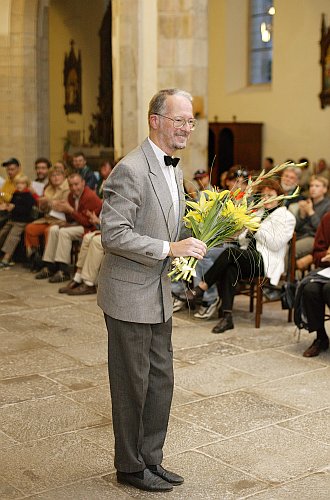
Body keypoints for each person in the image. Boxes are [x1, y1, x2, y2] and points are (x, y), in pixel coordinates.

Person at [97, 88, 207, 492]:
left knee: (161, 381)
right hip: (127, 295)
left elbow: (170, 226)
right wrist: (169, 249)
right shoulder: (130, 169)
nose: (186, 128)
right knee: (131, 385)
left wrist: (213, 228)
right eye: (179, 119)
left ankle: (152, 460)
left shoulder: (175, 170)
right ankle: (129, 465)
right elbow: (113, 234)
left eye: (191, 121)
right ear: (155, 120)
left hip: (159, 295)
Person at [185, 179, 296, 333]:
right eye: (263, 196)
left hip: (266, 261)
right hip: (247, 257)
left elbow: (275, 244)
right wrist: (244, 230)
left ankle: (202, 287)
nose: (266, 199)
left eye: (270, 195)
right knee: (230, 268)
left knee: (230, 253)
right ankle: (227, 317)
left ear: (279, 196)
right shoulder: (259, 212)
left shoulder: (287, 217)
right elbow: (242, 240)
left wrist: (256, 229)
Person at [35, 173, 102, 282]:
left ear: (83, 183)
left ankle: (63, 270)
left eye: (76, 184)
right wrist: (63, 210)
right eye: (71, 185)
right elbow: (71, 218)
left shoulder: (89, 196)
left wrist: (70, 210)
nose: (74, 188)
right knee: (54, 229)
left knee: (64, 233)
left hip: (90, 228)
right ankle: (50, 266)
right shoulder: (71, 196)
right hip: (77, 225)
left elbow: (88, 222)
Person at [24, 166, 70, 267]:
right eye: (53, 175)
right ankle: (37, 257)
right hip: (48, 218)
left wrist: (49, 202)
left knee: (48, 231)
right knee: (30, 228)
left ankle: (50, 262)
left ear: (63, 176)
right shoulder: (48, 188)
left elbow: (63, 206)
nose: (55, 178)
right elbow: (42, 209)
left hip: (62, 219)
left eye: (58, 175)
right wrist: (43, 205)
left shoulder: (68, 188)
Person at [301, 212, 330, 357]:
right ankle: (321, 337)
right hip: (328, 270)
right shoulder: (327, 218)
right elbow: (317, 254)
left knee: (328, 289)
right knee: (310, 289)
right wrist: (326, 256)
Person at [58, 211, 103, 295]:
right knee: (87, 238)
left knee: (97, 241)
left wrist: (98, 221)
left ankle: (89, 283)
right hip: (107, 232)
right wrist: (96, 221)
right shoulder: (109, 201)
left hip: (121, 234)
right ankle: (78, 278)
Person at [0, 174, 35, 268]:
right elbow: (11, 204)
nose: (19, 185)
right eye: (17, 183)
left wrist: (14, 208)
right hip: (13, 219)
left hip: (22, 221)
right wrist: (6, 207)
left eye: (22, 183)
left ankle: (6, 258)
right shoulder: (15, 194)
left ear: (26, 185)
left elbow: (27, 210)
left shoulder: (28, 196)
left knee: (13, 236)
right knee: (2, 233)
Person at [294, 175, 330, 258]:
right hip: (301, 235)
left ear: (324, 189)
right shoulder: (308, 202)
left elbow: (324, 231)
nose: (313, 188)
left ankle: (289, 271)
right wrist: (302, 215)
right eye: (311, 186)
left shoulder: (328, 206)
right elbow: (296, 227)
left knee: (293, 249)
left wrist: (311, 212)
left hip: (315, 238)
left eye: (317, 186)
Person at [0, 158, 21, 228]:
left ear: (18, 169)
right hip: (3, 209)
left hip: (12, 212)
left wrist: (2, 194)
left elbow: (12, 199)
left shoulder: (21, 181)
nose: (9, 172)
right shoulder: (8, 181)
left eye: (12, 169)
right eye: (8, 169)